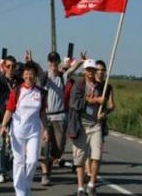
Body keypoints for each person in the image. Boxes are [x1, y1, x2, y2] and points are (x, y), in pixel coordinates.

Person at [0, 61, 49, 196]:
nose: (29, 76)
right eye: (26, 74)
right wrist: (4, 125)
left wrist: (46, 129)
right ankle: (20, 191)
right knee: (19, 162)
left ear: (35, 76)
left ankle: (26, 184)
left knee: (33, 161)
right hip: (18, 131)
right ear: (22, 75)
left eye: (31, 74)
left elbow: (43, 113)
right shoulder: (17, 91)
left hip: (34, 131)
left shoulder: (41, 93)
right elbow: (9, 110)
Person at [38, 51, 85, 186]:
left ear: (58, 62)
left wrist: (80, 62)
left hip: (59, 117)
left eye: (55, 61)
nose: (53, 63)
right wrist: (32, 61)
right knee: (44, 147)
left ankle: (52, 161)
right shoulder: (45, 78)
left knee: (58, 149)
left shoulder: (62, 78)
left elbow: (71, 70)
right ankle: (45, 174)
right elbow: (39, 70)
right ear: (49, 62)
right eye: (51, 61)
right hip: (46, 117)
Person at [69, 59, 104, 196]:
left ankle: (91, 184)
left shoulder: (100, 86)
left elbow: (105, 105)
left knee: (97, 156)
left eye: (93, 69)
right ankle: (80, 187)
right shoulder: (78, 85)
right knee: (80, 159)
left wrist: (103, 112)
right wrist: (93, 100)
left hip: (95, 124)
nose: (91, 72)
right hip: (80, 125)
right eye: (88, 69)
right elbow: (74, 103)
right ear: (84, 71)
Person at [0, 55, 18, 183]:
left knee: (12, 147)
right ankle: (0, 171)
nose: (11, 69)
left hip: (16, 119)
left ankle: (8, 169)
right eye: (8, 66)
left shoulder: (19, 80)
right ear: (4, 67)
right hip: (0, 118)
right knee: (0, 147)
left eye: (13, 66)